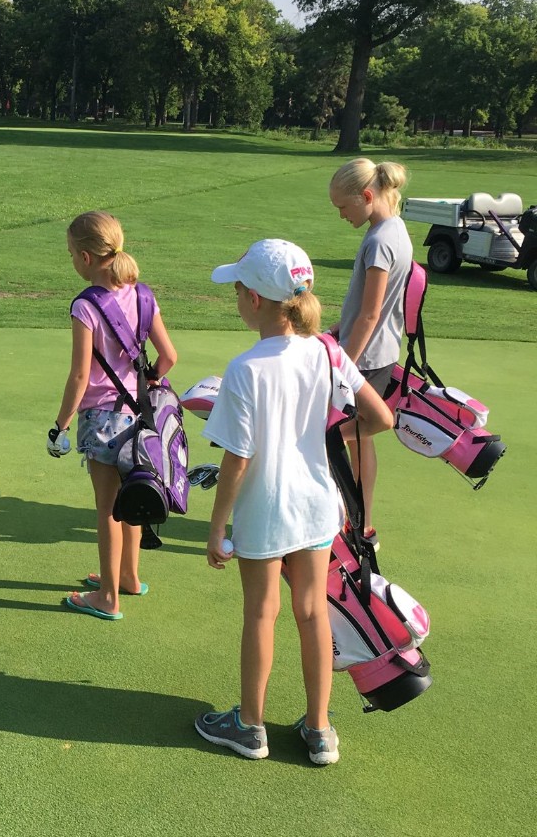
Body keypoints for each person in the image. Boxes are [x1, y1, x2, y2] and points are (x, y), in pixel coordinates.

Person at [194, 239, 393, 765]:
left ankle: (250, 726)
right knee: (311, 612)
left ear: (256, 299)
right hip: (317, 505)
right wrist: (326, 437)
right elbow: (379, 420)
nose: (235, 296)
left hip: (265, 507)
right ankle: (320, 728)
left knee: (262, 612)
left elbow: (237, 459)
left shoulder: (245, 368)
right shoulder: (327, 349)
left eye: (238, 288)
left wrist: (217, 530)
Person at [46, 211, 177, 621]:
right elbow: (170, 356)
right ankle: (128, 578)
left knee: (107, 509)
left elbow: (80, 375)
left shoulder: (85, 305)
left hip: (102, 420)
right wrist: (151, 379)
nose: (71, 260)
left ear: (86, 258)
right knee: (132, 496)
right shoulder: (143, 294)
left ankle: (108, 597)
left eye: (71, 253)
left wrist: (60, 424)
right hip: (140, 417)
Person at [328, 159, 412, 545]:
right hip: (378, 355)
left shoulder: (379, 241)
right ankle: (362, 523)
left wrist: (341, 363)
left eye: (343, 208)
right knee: (360, 441)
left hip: (364, 359)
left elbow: (371, 313)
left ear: (366, 196)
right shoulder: (393, 228)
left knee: (330, 439)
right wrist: (337, 331)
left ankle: (345, 523)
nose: (342, 216)